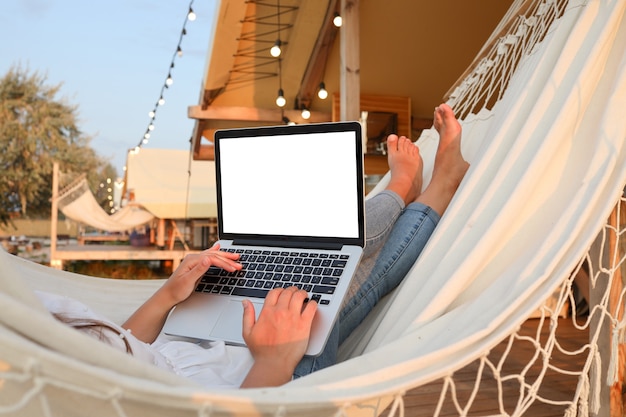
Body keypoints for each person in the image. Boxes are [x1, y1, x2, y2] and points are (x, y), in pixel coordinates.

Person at [43, 103, 469, 389]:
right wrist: (274, 360)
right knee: (346, 254)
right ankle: (414, 186)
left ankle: (410, 190)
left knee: (325, 246)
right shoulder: (27, 366)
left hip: (191, 343)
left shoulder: (28, 321)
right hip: (267, 378)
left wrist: (169, 294)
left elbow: (119, 346)